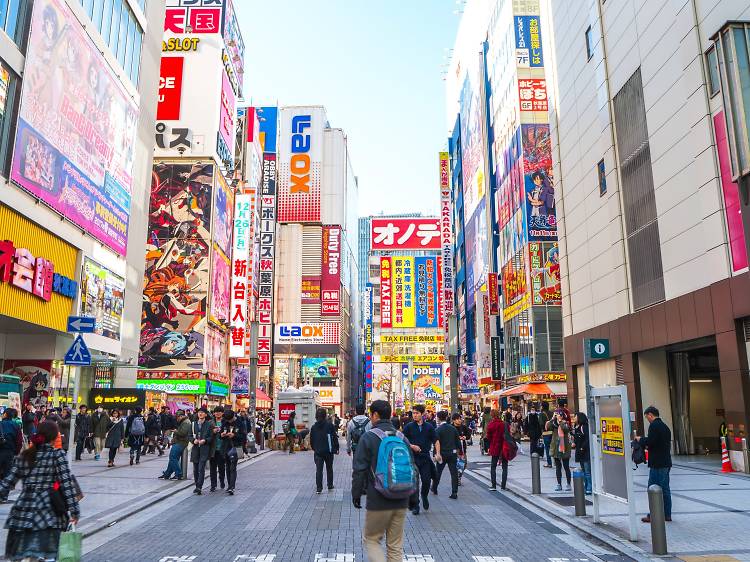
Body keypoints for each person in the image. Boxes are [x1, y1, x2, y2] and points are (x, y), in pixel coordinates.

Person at [0, 421, 80, 562]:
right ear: (54, 437)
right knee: (46, 554)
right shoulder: (57, 455)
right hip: (48, 513)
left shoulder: (25, 455)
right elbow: (66, 484)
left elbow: (7, 482)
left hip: (23, 511)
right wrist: (74, 511)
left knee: (25, 554)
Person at [352, 400, 416, 562]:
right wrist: (414, 498)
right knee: (395, 546)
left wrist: (356, 494)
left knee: (372, 540)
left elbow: (359, 469)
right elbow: (413, 469)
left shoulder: (368, 437)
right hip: (401, 499)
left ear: (375, 415)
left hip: (378, 500)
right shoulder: (402, 438)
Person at [402, 404, 438, 514]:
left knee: (426, 480)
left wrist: (438, 453)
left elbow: (436, 440)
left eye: (417, 413)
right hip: (412, 458)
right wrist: (412, 446)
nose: (415, 415)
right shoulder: (409, 426)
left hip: (425, 458)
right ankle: (416, 505)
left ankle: (424, 495)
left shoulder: (429, 427)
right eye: (413, 413)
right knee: (415, 482)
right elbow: (403, 439)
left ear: (422, 414)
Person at [639, 406, 673, 523]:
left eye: (646, 417)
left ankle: (654, 515)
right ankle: (667, 514)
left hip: (657, 463)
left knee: (653, 488)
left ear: (650, 415)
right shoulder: (665, 426)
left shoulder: (654, 426)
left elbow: (651, 442)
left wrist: (641, 440)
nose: (647, 419)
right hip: (666, 462)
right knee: (665, 489)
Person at [432, 410, 462, 499]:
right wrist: (459, 452)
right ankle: (454, 492)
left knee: (438, 472)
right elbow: (458, 442)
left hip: (442, 454)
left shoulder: (437, 430)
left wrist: (435, 454)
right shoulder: (453, 429)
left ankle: (434, 488)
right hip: (452, 454)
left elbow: (436, 443)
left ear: (438, 418)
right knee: (454, 473)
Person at [310, 407, 340, 493]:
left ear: (316, 416)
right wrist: (336, 447)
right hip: (328, 451)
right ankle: (330, 485)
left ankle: (319, 488)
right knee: (329, 468)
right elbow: (334, 437)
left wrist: (315, 448)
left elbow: (312, 440)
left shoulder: (314, 427)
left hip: (318, 452)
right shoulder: (329, 425)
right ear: (325, 415)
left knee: (319, 470)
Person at [159, 410, 192, 480]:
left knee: (173, 457)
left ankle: (178, 474)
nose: (177, 419)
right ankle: (167, 474)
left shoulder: (186, 422)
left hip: (181, 442)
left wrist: (176, 431)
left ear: (181, 416)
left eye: (177, 417)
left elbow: (183, 433)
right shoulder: (184, 421)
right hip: (179, 442)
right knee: (173, 459)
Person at [221, 409, 246, 495]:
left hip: (235, 447)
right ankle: (229, 486)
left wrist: (234, 435)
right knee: (227, 467)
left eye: (230, 420)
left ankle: (232, 487)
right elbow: (221, 432)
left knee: (232, 467)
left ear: (233, 417)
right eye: (227, 420)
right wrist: (222, 434)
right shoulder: (225, 422)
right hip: (226, 447)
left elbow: (243, 436)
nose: (229, 421)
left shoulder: (240, 423)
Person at [191, 407, 214, 495]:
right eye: (199, 412)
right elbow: (189, 435)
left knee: (201, 468)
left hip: (204, 449)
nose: (200, 414)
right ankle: (197, 485)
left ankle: (199, 486)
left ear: (205, 414)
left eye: (202, 412)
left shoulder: (208, 425)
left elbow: (211, 437)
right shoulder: (193, 424)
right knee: (195, 469)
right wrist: (193, 440)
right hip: (196, 449)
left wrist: (205, 440)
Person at [550, 410, 572, 491]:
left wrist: (560, 422)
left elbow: (566, 429)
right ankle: (559, 484)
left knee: (566, 467)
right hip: (556, 447)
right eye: (557, 415)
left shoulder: (565, 423)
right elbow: (548, 427)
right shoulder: (553, 423)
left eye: (559, 415)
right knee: (558, 467)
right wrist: (552, 419)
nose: (558, 416)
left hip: (565, 447)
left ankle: (568, 484)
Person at [486, 410, 507, 490]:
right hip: (504, 447)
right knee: (504, 467)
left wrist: (488, 447)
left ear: (492, 416)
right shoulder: (504, 424)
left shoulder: (491, 425)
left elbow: (488, 437)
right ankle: (503, 486)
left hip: (495, 447)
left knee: (493, 466)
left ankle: (493, 485)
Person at [573, 412, 591, 494]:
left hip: (585, 452)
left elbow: (587, 439)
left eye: (575, 417)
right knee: (583, 470)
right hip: (580, 452)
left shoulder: (584, 427)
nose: (574, 418)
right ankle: (585, 486)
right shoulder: (577, 427)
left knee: (587, 471)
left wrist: (582, 447)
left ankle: (589, 487)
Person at [0, 409, 22, 479]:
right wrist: (16, 452)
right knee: (7, 473)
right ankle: (5, 489)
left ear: (5, 414)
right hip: (10, 452)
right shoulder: (16, 425)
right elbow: (19, 441)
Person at [209, 406, 226, 492]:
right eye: (216, 412)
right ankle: (213, 485)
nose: (217, 413)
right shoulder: (210, 422)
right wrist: (212, 432)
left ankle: (222, 481)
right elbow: (207, 434)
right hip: (213, 448)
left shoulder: (225, 422)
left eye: (219, 412)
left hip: (222, 448)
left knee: (221, 467)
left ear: (223, 413)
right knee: (212, 468)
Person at [540, 402, 553, 467]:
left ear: (542, 407)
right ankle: (557, 462)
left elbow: (541, 424)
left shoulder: (542, 414)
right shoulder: (552, 413)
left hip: (546, 433)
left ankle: (549, 463)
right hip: (553, 432)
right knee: (554, 447)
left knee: (547, 448)